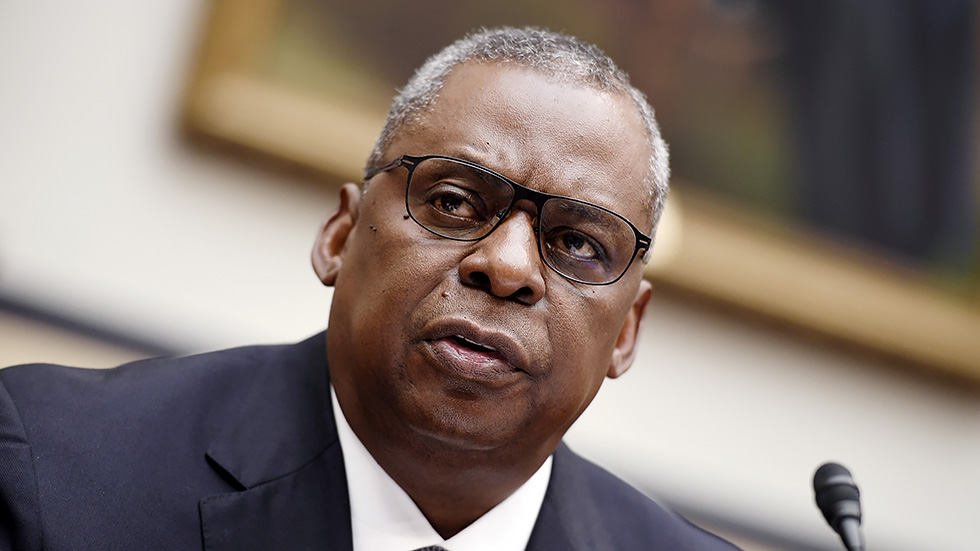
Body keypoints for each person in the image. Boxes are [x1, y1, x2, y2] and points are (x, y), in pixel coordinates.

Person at [0, 27, 741, 550]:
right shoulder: (51, 466)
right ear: (340, 235)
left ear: (627, 331)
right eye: (453, 202)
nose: (507, 266)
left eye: (578, 243)